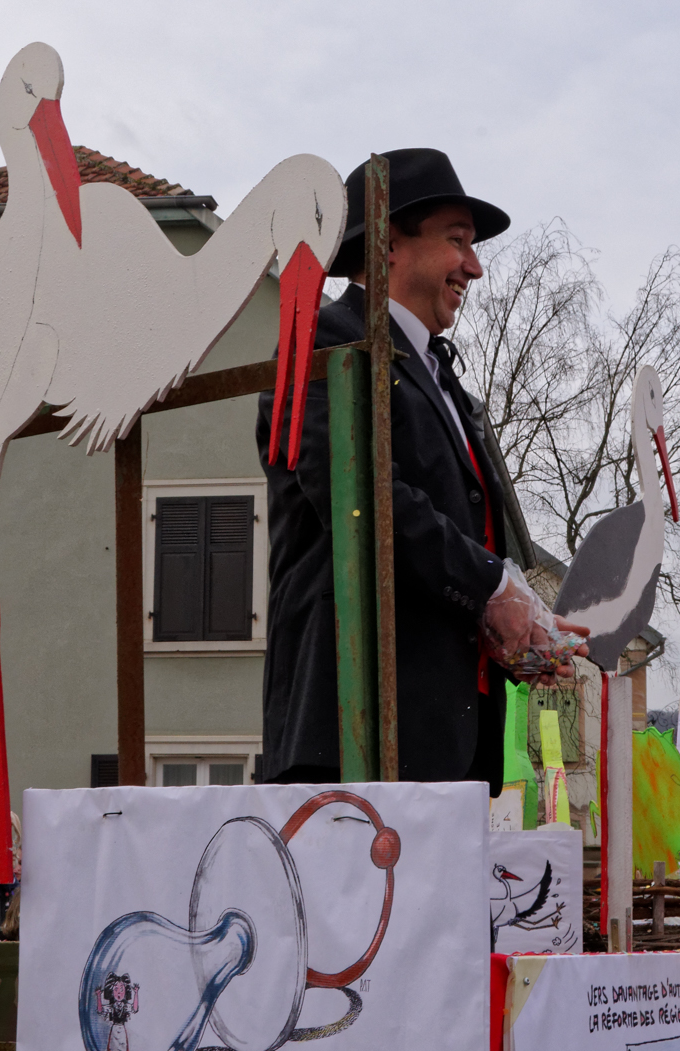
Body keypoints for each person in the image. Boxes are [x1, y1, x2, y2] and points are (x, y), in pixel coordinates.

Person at [257, 148, 585, 787]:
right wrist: (494, 587)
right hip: (353, 727)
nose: (476, 267)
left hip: (443, 737)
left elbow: (464, 532)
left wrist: (523, 617)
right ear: (387, 246)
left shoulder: (444, 377)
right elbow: (363, 496)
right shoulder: (324, 343)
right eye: (457, 241)